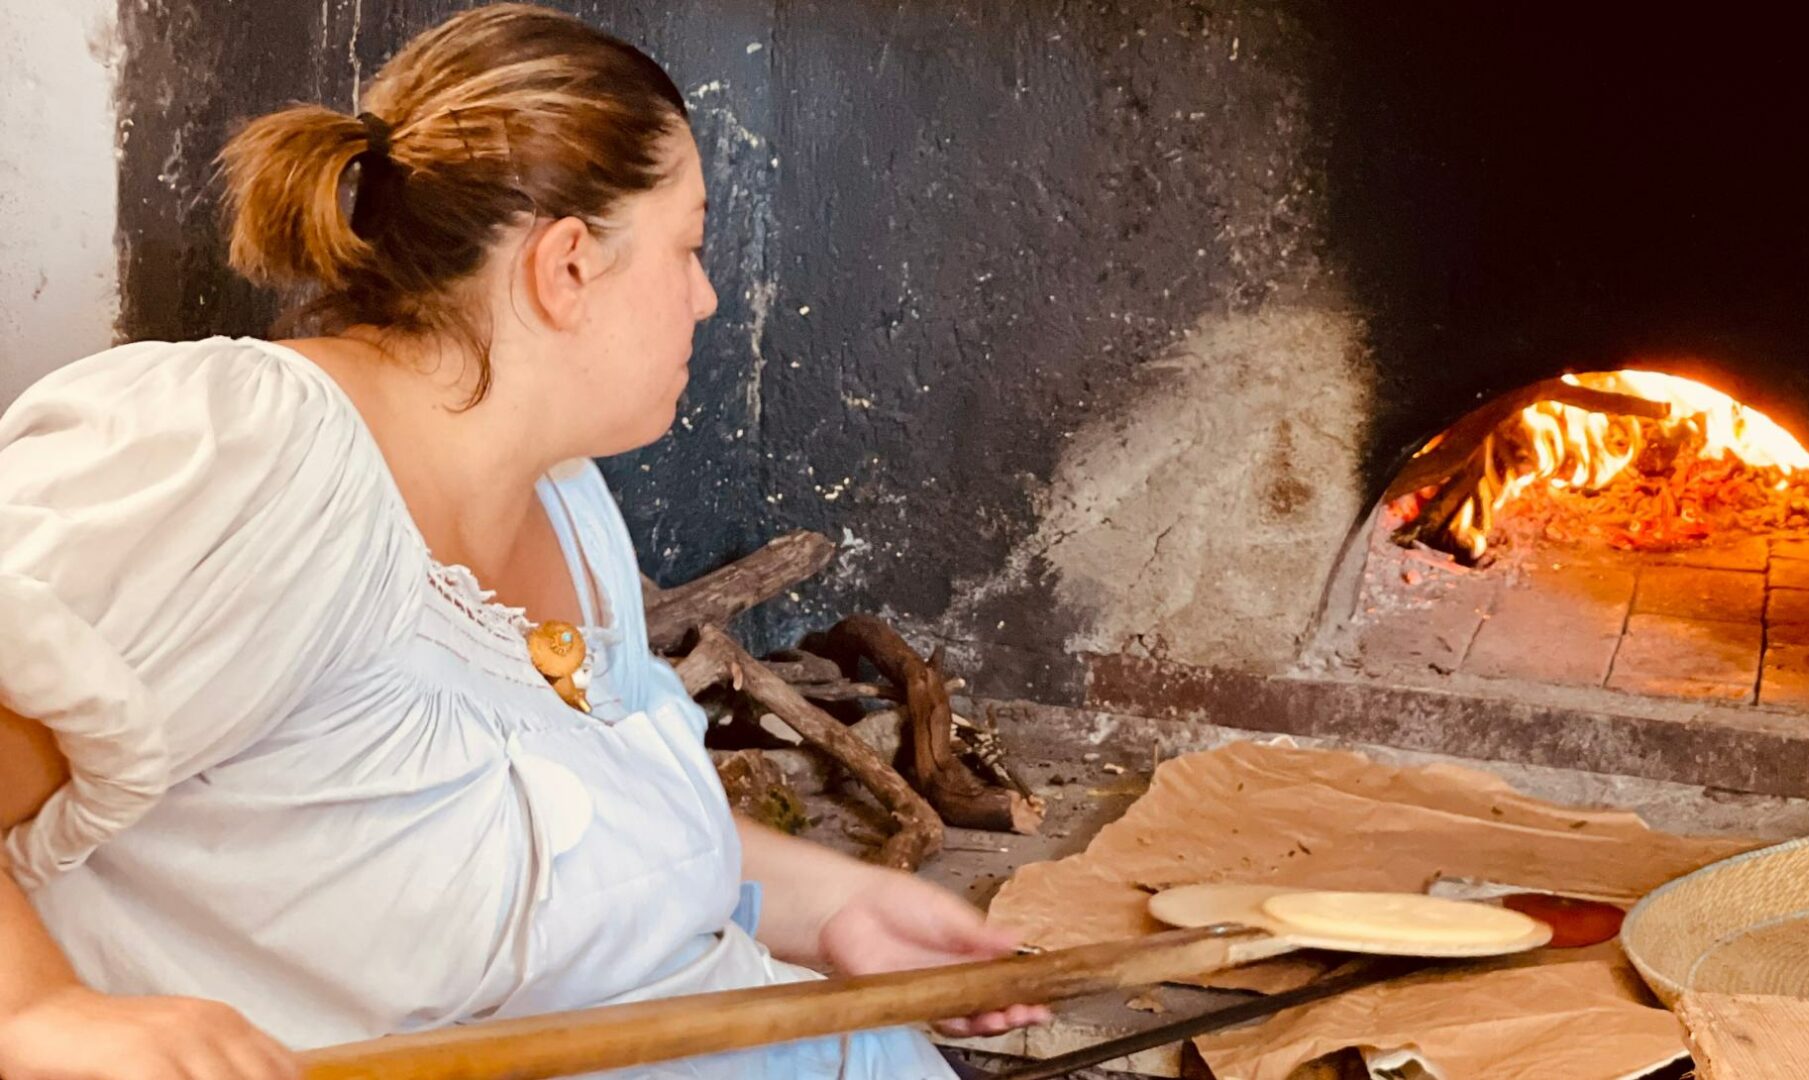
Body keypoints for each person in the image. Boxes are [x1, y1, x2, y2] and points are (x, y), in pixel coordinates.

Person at [0, 5, 1045, 1078]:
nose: (708, 295)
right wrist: (34, 1014)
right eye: (687, 247)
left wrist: (833, 911)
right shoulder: (250, 464)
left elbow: (576, 844)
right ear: (567, 267)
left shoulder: (566, 502)